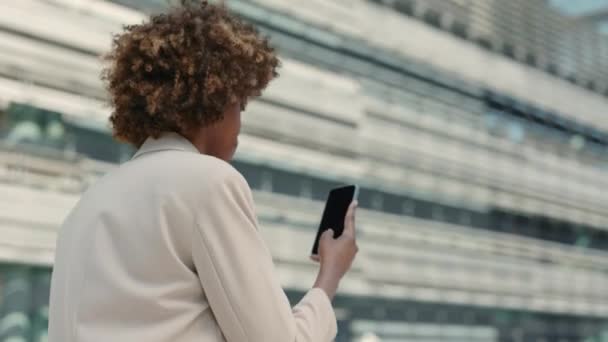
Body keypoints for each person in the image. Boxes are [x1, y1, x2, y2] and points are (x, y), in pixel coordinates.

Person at [48, 1, 359, 341]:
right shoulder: (209, 183)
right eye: (239, 106)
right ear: (212, 101)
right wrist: (329, 276)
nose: (240, 125)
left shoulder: (87, 205)